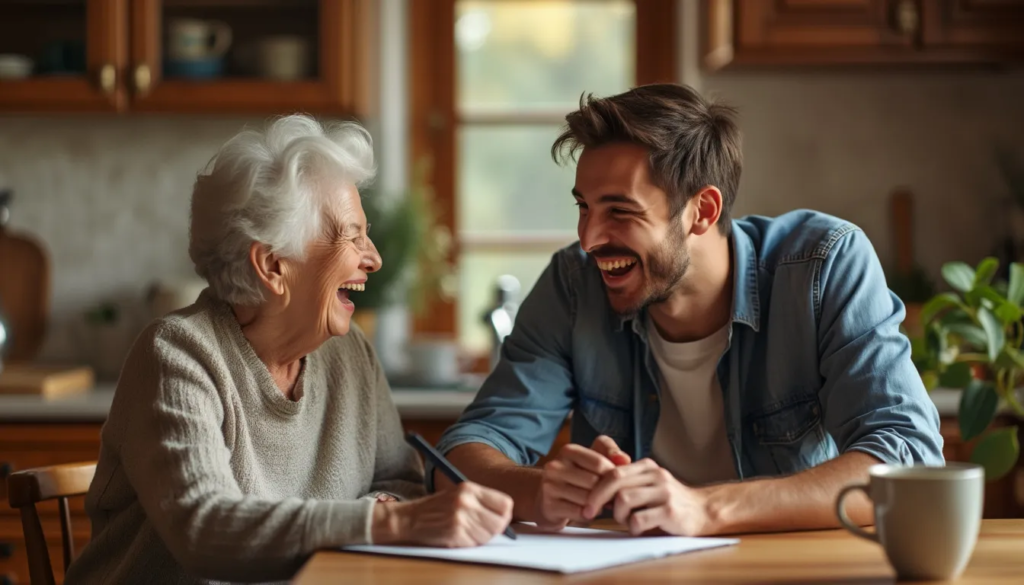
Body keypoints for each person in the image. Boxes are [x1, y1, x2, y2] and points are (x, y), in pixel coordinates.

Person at [430, 83, 944, 537]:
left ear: (703, 211)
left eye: (620, 211)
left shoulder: (822, 265)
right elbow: (461, 453)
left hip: (787, 569)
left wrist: (706, 508)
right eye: (584, 208)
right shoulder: (572, 286)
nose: (588, 239)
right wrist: (538, 489)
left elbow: (910, 458)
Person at [65, 115, 513, 585]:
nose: (374, 257)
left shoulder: (350, 354)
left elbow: (399, 482)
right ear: (274, 265)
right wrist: (390, 523)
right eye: (352, 236)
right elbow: (206, 531)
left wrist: (389, 511)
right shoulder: (177, 356)